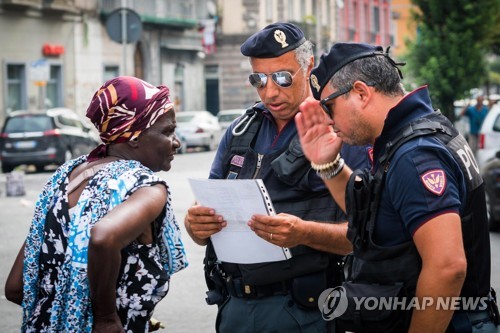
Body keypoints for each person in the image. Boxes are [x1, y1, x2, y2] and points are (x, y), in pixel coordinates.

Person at [296, 42, 497, 332]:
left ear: (362, 93)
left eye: (329, 105)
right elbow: (376, 215)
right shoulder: (417, 130)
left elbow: (447, 267)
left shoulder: (415, 154)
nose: (328, 119)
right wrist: (328, 164)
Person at [184, 23, 370, 332]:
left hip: (306, 311)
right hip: (235, 307)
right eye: (258, 80)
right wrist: (196, 225)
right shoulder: (242, 130)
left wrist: (304, 233)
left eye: (283, 78)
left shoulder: (339, 129)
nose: (270, 92)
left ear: (307, 66)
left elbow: (365, 236)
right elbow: (202, 220)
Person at [5, 76, 188, 332]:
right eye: (167, 131)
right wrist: (106, 318)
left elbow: (15, 287)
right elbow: (103, 237)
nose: (176, 142)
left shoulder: (66, 175)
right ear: (133, 137)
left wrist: (64, 312)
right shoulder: (146, 187)